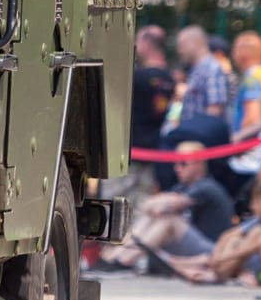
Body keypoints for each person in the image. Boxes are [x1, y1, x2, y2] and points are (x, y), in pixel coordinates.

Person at [99, 141, 235, 271]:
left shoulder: (207, 187)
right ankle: (117, 256)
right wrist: (158, 204)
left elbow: (162, 205)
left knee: (168, 220)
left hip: (213, 249)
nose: (177, 168)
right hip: (189, 244)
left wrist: (159, 203)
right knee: (154, 216)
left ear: (198, 163)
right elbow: (150, 207)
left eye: (183, 164)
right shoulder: (182, 187)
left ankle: (125, 260)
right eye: (176, 163)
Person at [128, 25, 177, 193]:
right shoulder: (169, 78)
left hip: (129, 152)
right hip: (152, 151)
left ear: (147, 44)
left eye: (138, 41)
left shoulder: (137, 77)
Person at [229, 31, 261, 139]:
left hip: (253, 146)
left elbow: (252, 117)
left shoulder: (252, 78)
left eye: (235, 49)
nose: (233, 55)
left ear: (244, 53)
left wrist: (238, 138)